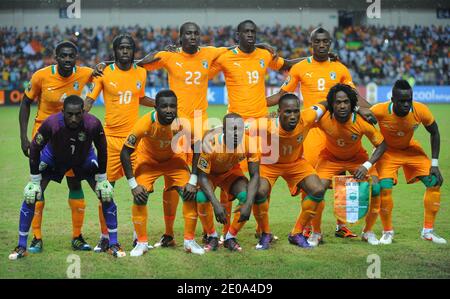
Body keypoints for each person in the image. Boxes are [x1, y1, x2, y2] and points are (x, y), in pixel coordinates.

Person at [266, 27, 375, 239]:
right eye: (318, 41)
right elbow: (282, 94)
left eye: (326, 41)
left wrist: (373, 110)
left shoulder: (340, 68)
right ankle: (308, 227)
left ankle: (341, 225)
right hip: (314, 129)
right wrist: (255, 107)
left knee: (341, 178)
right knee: (311, 181)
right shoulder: (300, 68)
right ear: (311, 44)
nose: (322, 45)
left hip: (337, 128)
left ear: (330, 43)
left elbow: (353, 96)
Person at [9, 95, 125, 260]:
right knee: (31, 196)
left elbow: (102, 149)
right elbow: (35, 148)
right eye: (69, 114)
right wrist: (34, 181)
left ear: (83, 112)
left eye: (78, 114)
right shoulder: (51, 123)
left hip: (84, 158)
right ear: (62, 111)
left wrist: (103, 178)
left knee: (106, 194)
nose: (74, 118)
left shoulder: (93, 124)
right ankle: (21, 246)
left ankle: (113, 244)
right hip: (53, 158)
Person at [19, 41, 96, 253]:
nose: (68, 60)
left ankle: (77, 236)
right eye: (63, 56)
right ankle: (36, 238)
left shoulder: (84, 73)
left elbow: (104, 70)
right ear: (56, 57)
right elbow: (25, 103)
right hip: (43, 140)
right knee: (38, 188)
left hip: (71, 139)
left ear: (76, 57)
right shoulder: (41, 76)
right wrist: (24, 137)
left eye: (71, 56)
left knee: (74, 184)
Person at [84, 34, 154, 252]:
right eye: (121, 48)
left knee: (142, 190)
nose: (125, 51)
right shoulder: (104, 72)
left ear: (133, 51)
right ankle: (105, 236)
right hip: (111, 141)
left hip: (135, 141)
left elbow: (139, 97)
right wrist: (77, 119)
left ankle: (138, 237)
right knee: (106, 191)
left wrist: (160, 104)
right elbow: (89, 100)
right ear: (115, 51)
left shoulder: (141, 72)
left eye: (129, 48)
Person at [120, 90, 202, 256]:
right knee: (140, 195)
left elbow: (198, 148)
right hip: (148, 161)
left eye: (172, 106)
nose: (169, 110)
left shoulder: (184, 121)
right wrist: (133, 184)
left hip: (174, 159)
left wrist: (193, 180)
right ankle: (141, 243)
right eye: (164, 106)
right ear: (156, 107)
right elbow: (125, 152)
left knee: (189, 192)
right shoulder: (145, 123)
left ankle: (189, 241)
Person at [311, 84, 387, 246]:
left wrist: (366, 166)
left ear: (352, 104)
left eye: (346, 102)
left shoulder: (361, 121)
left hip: (357, 159)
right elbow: (303, 122)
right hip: (330, 158)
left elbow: (381, 144)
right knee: (316, 189)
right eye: (338, 102)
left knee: (376, 187)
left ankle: (368, 232)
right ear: (332, 104)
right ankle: (316, 232)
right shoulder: (324, 118)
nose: (342, 106)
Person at [371, 80, 445, 245]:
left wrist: (434, 164)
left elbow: (435, 131)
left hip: (410, 150)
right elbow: (361, 123)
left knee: (434, 182)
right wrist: (370, 160)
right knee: (385, 188)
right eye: (401, 101)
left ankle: (428, 231)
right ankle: (387, 232)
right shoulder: (379, 110)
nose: (406, 105)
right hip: (388, 152)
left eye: (408, 100)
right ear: (392, 100)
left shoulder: (420, 110)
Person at [256, 93, 327, 249]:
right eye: (288, 112)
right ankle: (265, 233)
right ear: (279, 111)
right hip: (269, 165)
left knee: (318, 190)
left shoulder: (307, 117)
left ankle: (296, 233)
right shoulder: (266, 125)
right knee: (259, 192)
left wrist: (357, 108)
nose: (293, 115)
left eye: (296, 111)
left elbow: (326, 102)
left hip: (295, 163)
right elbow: (237, 127)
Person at [197, 113, 262, 252]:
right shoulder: (210, 143)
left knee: (247, 196)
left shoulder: (249, 143)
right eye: (232, 129)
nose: (237, 133)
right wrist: (216, 204)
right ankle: (212, 236)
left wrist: (249, 204)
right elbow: (202, 177)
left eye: (239, 129)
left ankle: (230, 237)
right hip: (210, 175)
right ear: (224, 130)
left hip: (230, 173)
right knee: (201, 198)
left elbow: (255, 176)